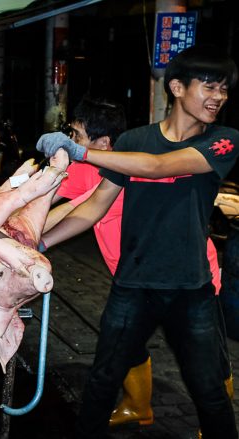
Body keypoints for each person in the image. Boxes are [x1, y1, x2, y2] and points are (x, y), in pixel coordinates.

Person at [37, 45, 238, 438]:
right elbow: (94, 207)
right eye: (210, 86)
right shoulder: (135, 138)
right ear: (177, 87)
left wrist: (82, 153)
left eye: (225, 89)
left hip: (191, 287)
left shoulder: (224, 140)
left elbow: (161, 166)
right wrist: (40, 243)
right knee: (101, 382)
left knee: (210, 392)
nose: (219, 97)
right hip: (133, 285)